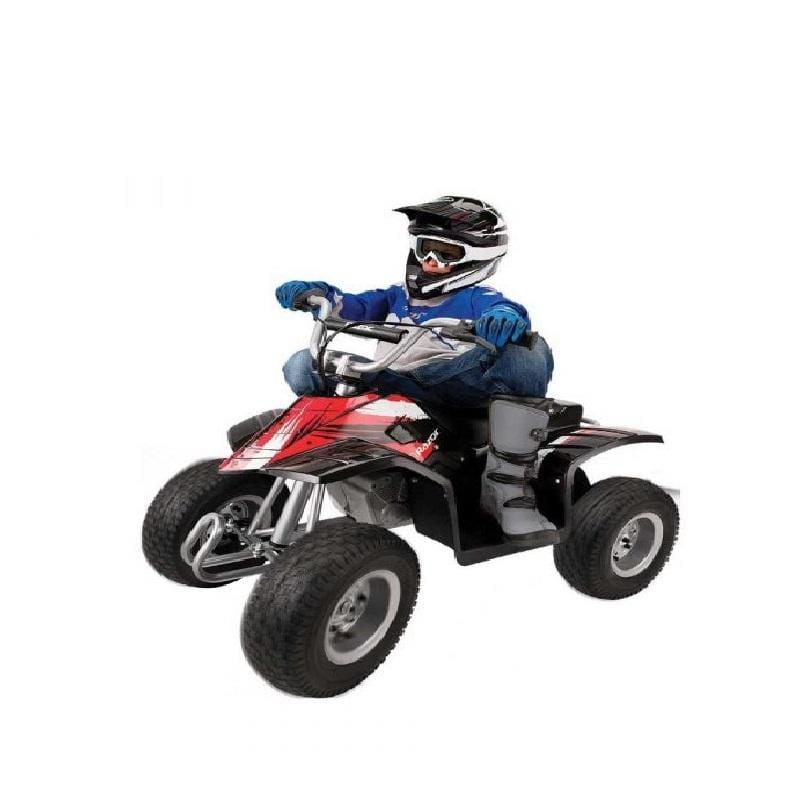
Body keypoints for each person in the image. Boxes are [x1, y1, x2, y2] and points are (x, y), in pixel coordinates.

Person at [274, 196, 557, 540]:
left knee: (529, 352)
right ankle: (315, 439)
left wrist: (503, 319)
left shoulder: (477, 298)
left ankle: (507, 491)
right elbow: (350, 306)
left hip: (446, 383)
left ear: (477, 258)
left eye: (446, 253)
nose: (431, 260)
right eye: (425, 249)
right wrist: (316, 294)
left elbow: (504, 308)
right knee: (304, 364)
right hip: (393, 378)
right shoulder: (396, 295)